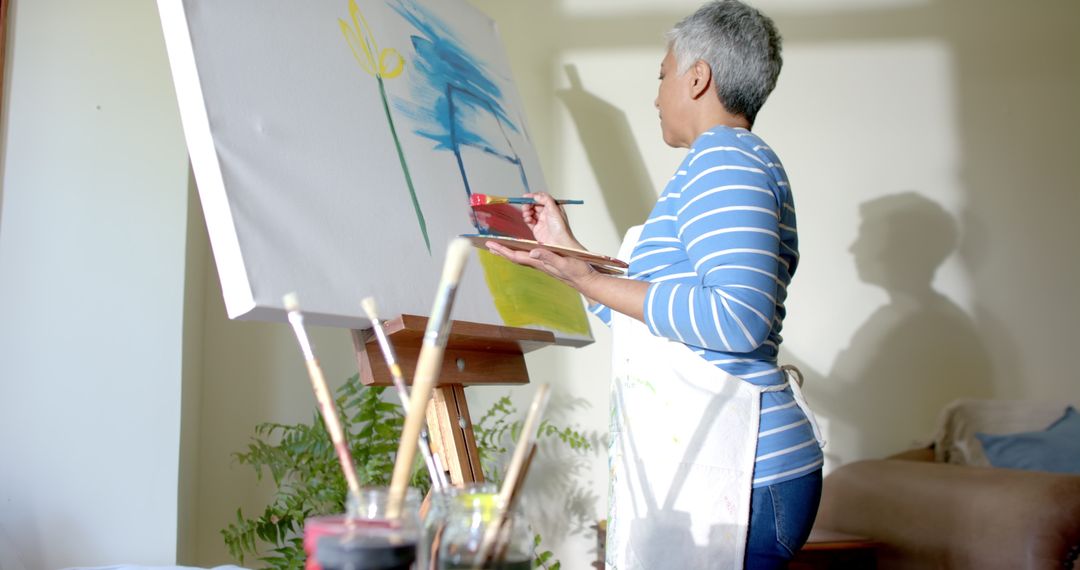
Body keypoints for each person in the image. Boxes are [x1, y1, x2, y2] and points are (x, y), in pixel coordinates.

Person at [486, 1, 824, 568]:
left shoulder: (725, 161)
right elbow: (652, 324)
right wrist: (569, 255)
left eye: (662, 74)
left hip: (744, 473)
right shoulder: (717, 164)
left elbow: (735, 320)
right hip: (734, 469)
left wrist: (583, 278)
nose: (657, 93)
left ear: (698, 77)